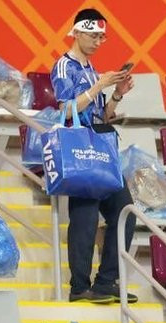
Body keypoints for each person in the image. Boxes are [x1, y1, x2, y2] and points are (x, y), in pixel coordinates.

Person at [51, 8, 138, 304]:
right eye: (94, 35)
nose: (99, 41)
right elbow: (64, 111)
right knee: (85, 219)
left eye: (102, 36)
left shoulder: (91, 70)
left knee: (126, 212)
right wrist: (100, 85)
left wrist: (116, 94)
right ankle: (79, 287)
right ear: (76, 32)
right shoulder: (64, 67)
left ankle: (105, 281)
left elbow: (101, 115)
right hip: (80, 148)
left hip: (100, 144)